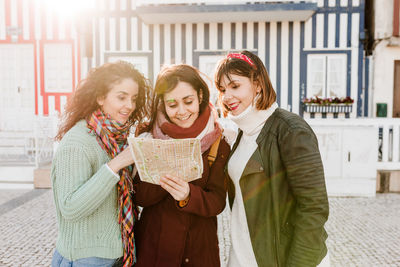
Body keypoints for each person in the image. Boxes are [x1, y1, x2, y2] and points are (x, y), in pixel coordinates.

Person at [214, 51, 329, 267]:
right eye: (222, 89)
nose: (227, 97)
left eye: (235, 86)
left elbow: (314, 209)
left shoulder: (291, 130)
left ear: (257, 83)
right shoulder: (244, 131)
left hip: (279, 260)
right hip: (242, 257)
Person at [51, 61, 151, 267]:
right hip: (85, 259)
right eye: (121, 97)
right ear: (100, 97)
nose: (130, 106)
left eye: (133, 99)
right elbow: (70, 208)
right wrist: (116, 164)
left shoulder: (117, 138)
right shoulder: (78, 142)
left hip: (120, 254)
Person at [134, 64, 231, 267]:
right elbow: (140, 196)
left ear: (200, 97)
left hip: (197, 253)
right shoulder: (147, 137)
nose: (182, 111)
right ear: (163, 104)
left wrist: (189, 196)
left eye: (188, 102)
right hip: (155, 251)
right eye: (172, 104)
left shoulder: (217, 141)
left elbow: (218, 201)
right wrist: (166, 170)